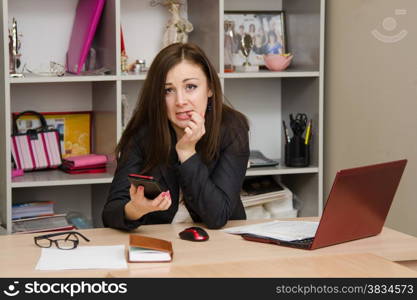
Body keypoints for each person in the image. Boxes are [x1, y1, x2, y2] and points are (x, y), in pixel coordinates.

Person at [102, 43, 250, 230]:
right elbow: (110, 213)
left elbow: (217, 216)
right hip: (160, 243)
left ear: (210, 88)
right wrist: (134, 210)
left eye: (190, 86)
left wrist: (187, 152)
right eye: (168, 90)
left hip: (220, 243)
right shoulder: (144, 132)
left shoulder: (232, 128)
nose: (180, 101)